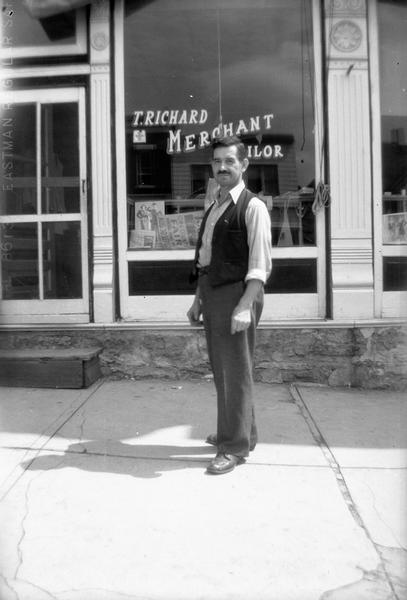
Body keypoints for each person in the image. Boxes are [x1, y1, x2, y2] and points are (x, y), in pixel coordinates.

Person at [187, 134, 272, 475]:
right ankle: (241, 433)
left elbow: (260, 264)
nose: (222, 167)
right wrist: (198, 299)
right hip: (213, 291)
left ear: (244, 165)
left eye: (230, 162)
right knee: (226, 370)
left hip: (238, 294)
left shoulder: (253, 207)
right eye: (217, 161)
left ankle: (233, 447)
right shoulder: (215, 204)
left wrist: (244, 306)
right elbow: (206, 256)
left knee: (235, 371)